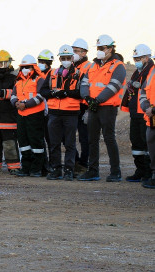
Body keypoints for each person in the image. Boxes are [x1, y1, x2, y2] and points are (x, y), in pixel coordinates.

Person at [79, 34, 126, 182]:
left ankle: (115, 172)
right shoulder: (93, 65)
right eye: (98, 48)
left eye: (102, 48)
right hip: (93, 107)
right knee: (92, 139)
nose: (99, 50)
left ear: (110, 49)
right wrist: (87, 98)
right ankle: (93, 171)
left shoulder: (118, 66)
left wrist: (97, 100)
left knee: (109, 138)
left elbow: (114, 86)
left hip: (107, 108)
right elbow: (84, 83)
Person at [40, 45, 83, 181]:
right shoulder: (52, 73)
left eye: (67, 58)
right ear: (59, 58)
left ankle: (69, 170)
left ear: (72, 58)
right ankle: (56, 169)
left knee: (70, 143)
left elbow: (81, 92)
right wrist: (53, 93)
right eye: (63, 58)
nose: (65, 60)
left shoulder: (79, 73)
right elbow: (43, 91)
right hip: (54, 113)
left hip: (71, 113)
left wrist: (65, 93)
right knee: (54, 143)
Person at [120, 44, 153, 182]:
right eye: (135, 58)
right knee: (137, 144)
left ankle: (148, 173)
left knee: (147, 145)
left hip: (145, 113)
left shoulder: (151, 71)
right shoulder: (138, 72)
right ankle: (140, 171)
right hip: (135, 112)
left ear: (147, 57)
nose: (136, 61)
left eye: (139, 58)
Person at [11, 54, 46, 177]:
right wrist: (16, 103)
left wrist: (25, 104)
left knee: (36, 142)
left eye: (28, 67)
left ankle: (37, 169)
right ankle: (25, 168)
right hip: (21, 115)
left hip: (35, 115)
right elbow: (13, 95)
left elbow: (40, 96)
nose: (25, 69)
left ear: (33, 67)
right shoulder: (19, 81)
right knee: (23, 142)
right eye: (23, 67)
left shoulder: (39, 79)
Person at [71, 38, 93, 176]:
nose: (74, 54)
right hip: (72, 105)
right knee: (67, 136)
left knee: (85, 137)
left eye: (76, 51)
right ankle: (77, 161)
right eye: (73, 51)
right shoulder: (72, 67)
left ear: (84, 52)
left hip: (84, 106)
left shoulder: (89, 67)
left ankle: (84, 164)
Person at [37, 49, 54, 176]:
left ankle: (53, 165)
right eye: (39, 61)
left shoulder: (52, 75)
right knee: (41, 139)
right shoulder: (38, 75)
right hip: (39, 110)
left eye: (43, 62)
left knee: (51, 140)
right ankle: (44, 165)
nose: (40, 64)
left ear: (49, 63)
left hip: (51, 111)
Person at [139, 55, 155, 188]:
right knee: (152, 146)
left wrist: (153, 109)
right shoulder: (152, 72)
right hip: (152, 119)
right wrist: (147, 108)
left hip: (153, 113)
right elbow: (143, 92)